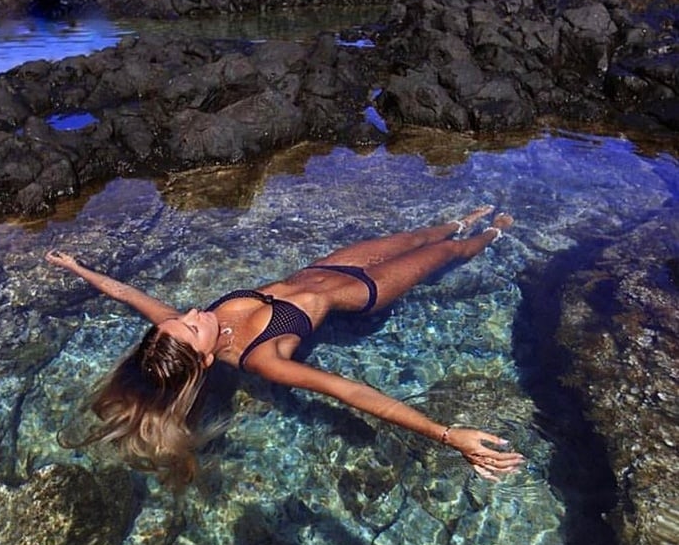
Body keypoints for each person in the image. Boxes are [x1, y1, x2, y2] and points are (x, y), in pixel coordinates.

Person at [46, 206, 524, 488]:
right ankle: (494, 232)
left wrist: (78, 270)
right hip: (364, 292)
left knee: (416, 236)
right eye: (191, 328)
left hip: (325, 267)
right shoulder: (263, 360)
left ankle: (458, 221)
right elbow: (350, 392)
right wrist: (446, 434)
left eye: (183, 320)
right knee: (446, 254)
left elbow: (129, 296)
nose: (190, 315)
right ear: (206, 359)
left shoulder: (183, 329)